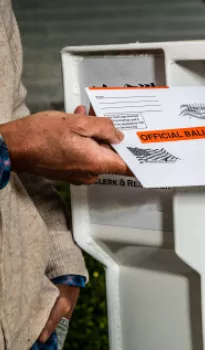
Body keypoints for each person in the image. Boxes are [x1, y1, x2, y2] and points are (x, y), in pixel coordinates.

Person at [0, 0, 131, 349]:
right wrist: (11, 144)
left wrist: (61, 261)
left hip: (29, 321)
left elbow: (11, 111)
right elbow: (14, 138)